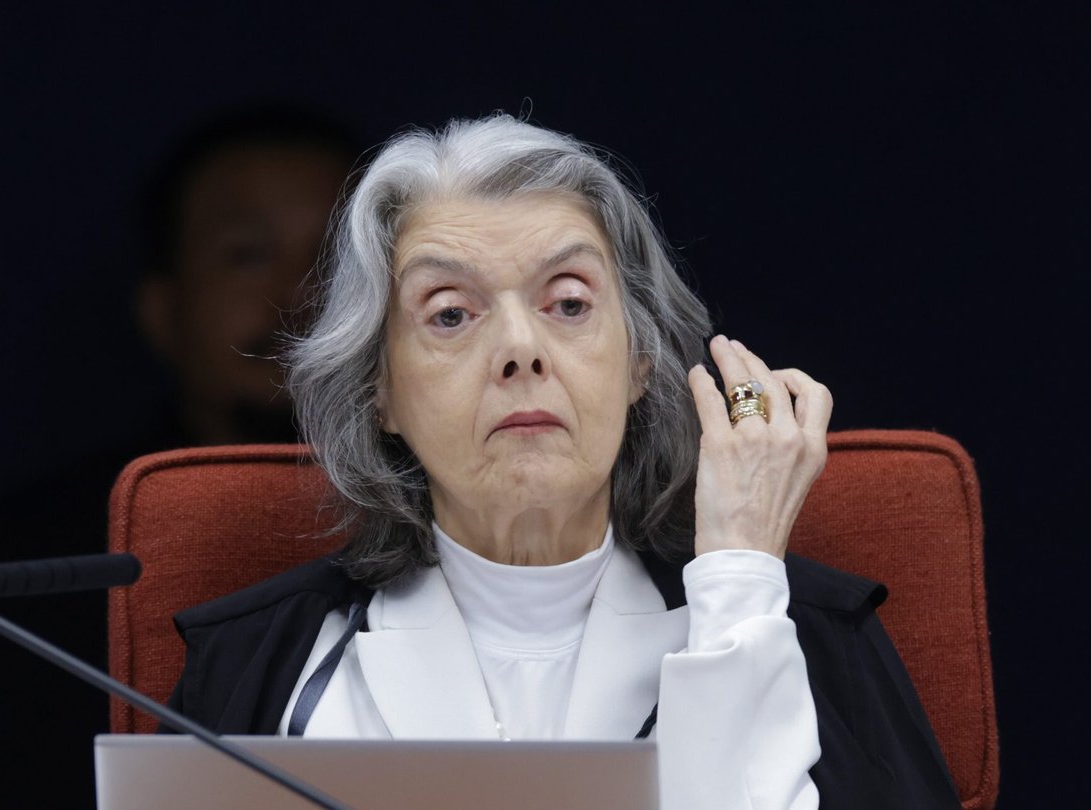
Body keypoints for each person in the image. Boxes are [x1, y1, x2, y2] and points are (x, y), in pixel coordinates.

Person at [164, 115, 961, 809]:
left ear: (640, 361)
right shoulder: (257, 666)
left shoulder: (801, 632)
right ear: (382, 392)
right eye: (451, 314)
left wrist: (741, 578)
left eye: (570, 303)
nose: (520, 349)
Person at [0, 107, 357, 808]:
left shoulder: (471, 539)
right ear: (163, 310)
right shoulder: (21, 562)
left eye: (337, 258)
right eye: (247, 254)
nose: (299, 294)